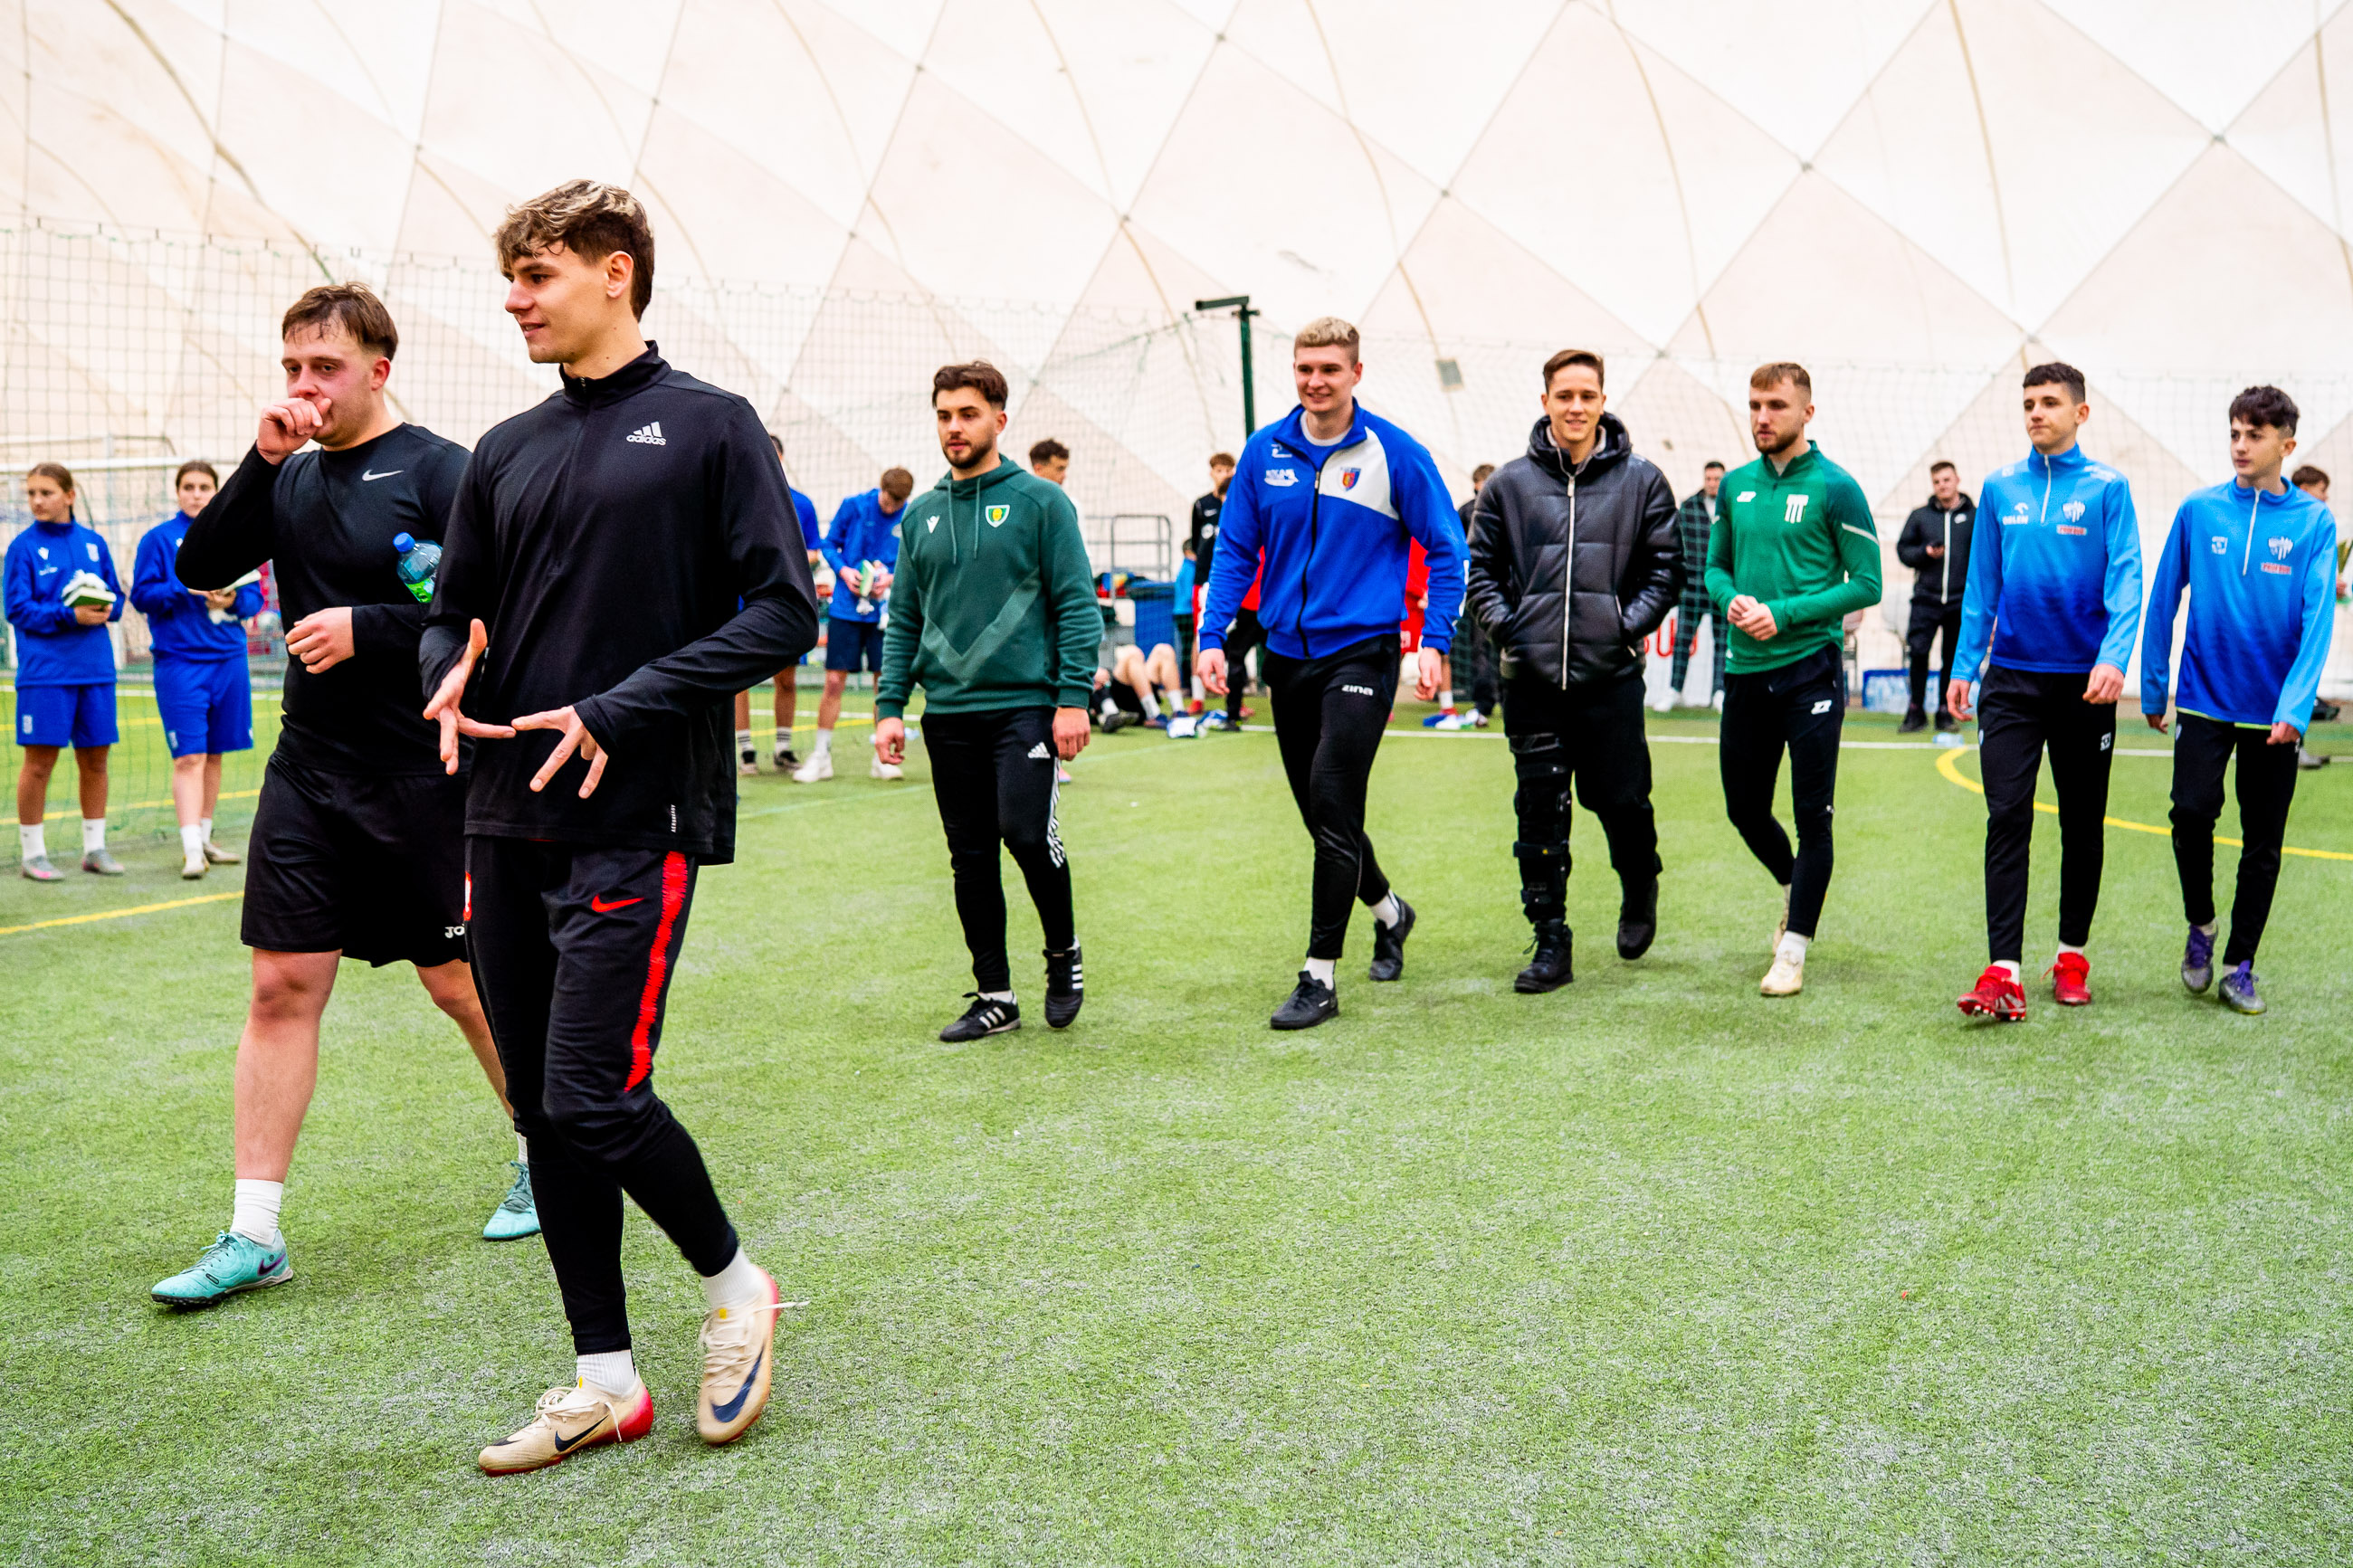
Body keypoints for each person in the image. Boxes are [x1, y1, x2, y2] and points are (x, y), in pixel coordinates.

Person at [419, 182, 818, 1471]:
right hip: (501, 813)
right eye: (511, 277)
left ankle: (738, 1287)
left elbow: (784, 611)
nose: (514, 300)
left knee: (593, 1091)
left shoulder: (710, 426)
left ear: (615, 273)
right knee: (543, 1110)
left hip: (635, 812)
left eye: (535, 275)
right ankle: (604, 1380)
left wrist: (619, 706)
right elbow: (454, 610)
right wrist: (442, 668)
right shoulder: (504, 449)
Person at [156, 282, 534, 1314]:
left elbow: (498, 617)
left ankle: (540, 1151)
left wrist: (370, 627)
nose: (305, 385)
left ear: (378, 369)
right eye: (292, 366)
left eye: (324, 367)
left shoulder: (445, 470)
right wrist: (261, 457)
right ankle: (255, 1232)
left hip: (425, 776)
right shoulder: (287, 472)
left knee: (460, 985)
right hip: (309, 771)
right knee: (281, 987)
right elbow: (200, 563)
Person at [1196, 316, 1463, 1029]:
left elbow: (1448, 549)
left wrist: (1433, 639)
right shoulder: (1264, 452)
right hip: (1286, 658)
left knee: (1333, 794)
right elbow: (1234, 551)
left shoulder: (1395, 453)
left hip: (1363, 653)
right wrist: (1214, 636)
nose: (1315, 381)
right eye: (1305, 368)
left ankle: (1319, 976)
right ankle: (1391, 911)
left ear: (1356, 373)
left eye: (1329, 369)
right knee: (1324, 816)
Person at [874, 362, 1098, 1041]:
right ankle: (995, 996)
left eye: (967, 414)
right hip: (947, 715)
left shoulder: (1042, 503)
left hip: (1025, 708)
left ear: (999, 420)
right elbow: (904, 619)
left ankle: (1062, 953)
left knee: (1027, 835)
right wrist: (890, 706)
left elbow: (1076, 603)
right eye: (944, 415)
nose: (954, 427)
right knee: (970, 856)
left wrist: (1073, 699)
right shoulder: (920, 515)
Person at [1466, 350, 1679, 993]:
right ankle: (1551, 938)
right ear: (1546, 402)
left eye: (1588, 395)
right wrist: (1512, 630)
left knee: (1621, 801)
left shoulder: (1643, 481)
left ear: (1603, 401)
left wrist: (1620, 627)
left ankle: (1639, 882)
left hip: (1610, 678)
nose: (1576, 406)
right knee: (1539, 811)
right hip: (1530, 681)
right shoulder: (1507, 485)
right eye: (1565, 395)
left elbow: (1665, 571)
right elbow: (1481, 573)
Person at [1947, 363, 2140, 1020]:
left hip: (2086, 685)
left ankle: (2071, 956)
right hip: (2011, 682)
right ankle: (2003, 971)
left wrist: (2114, 657)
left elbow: (2126, 578)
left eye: (2050, 402)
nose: (2036, 412)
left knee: (2082, 823)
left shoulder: (2109, 488)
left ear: (2080, 413)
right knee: (2007, 816)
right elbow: (1983, 585)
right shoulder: (2000, 487)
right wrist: (1965, 666)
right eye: (2028, 402)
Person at [2139, 385, 2336, 1017]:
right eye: (2234, 433)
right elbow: (2163, 597)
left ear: (2287, 444)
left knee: (2263, 840)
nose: (2240, 445)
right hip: (2203, 698)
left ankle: (2239, 965)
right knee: (2190, 812)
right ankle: (2201, 922)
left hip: (2273, 713)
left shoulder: (2314, 522)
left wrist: (2295, 707)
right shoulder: (2199, 510)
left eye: (2254, 434)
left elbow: (2318, 620)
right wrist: (2153, 682)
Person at [1709, 363, 1881, 998]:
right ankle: (1794, 884)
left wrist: (1782, 614)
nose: (1762, 417)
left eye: (1776, 405)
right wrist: (1729, 598)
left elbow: (1867, 583)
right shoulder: (1736, 486)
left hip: (1811, 670)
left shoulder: (1837, 487)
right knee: (1744, 809)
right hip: (1744, 672)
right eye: (1755, 404)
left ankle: (1793, 949)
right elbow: (1715, 568)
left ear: (1807, 412)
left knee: (1813, 818)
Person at [133, 460, 263, 879]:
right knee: (189, 756)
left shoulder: (234, 535)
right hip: (181, 662)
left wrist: (232, 600)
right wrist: (185, 587)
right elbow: (142, 596)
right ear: (177, 492)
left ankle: (205, 838)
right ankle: (191, 849)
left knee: (215, 753)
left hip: (229, 660)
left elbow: (255, 598)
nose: (195, 494)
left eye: (204, 487)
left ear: (216, 491)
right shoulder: (158, 539)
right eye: (188, 486)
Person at [6, 462, 122, 879]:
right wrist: (70, 615)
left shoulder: (94, 543)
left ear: (70, 496)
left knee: (96, 761)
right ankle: (32, 853)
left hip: (95, 670)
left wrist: (106, 607)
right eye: (31, 493)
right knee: (39, 763)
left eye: (46, 493)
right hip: (46, 674)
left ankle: (95, 849)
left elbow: (117, 599)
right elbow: (17, 609)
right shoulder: (22, 547)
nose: (37, 501)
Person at [794, 467, 911, 783]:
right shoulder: (854, 506)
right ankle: (821, 757)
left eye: (898, 503)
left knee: (884, 683)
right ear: (880, 489)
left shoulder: (909, 515)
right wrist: (845, 572)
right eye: (888, 500)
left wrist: (891, 578)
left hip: (885, 613)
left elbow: (915, 558)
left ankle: (882, 758)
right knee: (834, 681)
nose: (891, 507)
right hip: (846, 609)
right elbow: (828, 545)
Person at [735, 435, 823, 774]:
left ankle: (783, 749)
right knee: (738, 678)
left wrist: (789, 559)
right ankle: (745, 751)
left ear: (781, 459)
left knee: (786, 678)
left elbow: (814, 552)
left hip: (784, 600)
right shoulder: (735, 497)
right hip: (741, 601)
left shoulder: (801, 504)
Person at [1894, 461, 1976, 732]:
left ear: (1957, 480)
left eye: (1946, 480)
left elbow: (1984, 555)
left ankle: (1945, 711)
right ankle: (1915, 710)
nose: (1942, 485)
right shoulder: (1920, 516)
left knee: (1951, 657)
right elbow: (1903, 551)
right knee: (1918, 653)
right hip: (1925, 600)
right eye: (1937, 481)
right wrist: (1925, 553)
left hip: (1959, 601)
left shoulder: (1975, 517)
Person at [1429, 462, 1500, 729]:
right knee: (1480, 647)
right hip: (1479, 590)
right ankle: (1483, 704)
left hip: (1506, 588)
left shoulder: (1508, 508)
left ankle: (1507, 700)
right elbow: (1454, 549)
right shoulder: (1466, 511)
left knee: (1508, 645)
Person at [1662, 460, 1728, 713]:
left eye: (1717, 479)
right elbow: (1676, 547)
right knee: (1682, 641)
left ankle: (1719, 692)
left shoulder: (1731, 508)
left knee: (1723, 643)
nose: (1712, 483)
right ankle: (1675, 690)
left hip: (1721, 588)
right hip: (1692, 588)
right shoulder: (1688, 507)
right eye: (1709, 479)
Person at [2289, 462, 2340, 765]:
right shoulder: (2294, 523)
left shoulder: (2314, 522)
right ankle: (2291, 750)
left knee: (2301, 679)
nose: (2326, 497)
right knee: (2292, 680)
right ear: (2305, 490)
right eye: (2322, 490)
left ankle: (2295, 748)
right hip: (2287, 623)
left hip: (2303, 620)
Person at [1188, 452, 1234, 712]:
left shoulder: (1240, 502)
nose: (1223, 475)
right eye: (1219, 470)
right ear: (1211, 473)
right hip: (1205, 580)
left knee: (1236, 639)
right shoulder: (1201, 505)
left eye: (1228, 470)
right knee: (1201, 633)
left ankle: (1234, 698)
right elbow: (1196, 543)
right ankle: (1198, 697)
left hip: (1236, 582)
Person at [1095, 641, 1184, 731]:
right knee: (1133, 653)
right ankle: (1153, 714)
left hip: (1139, 684)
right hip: (1118, 695)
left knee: (1164, 650)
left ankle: (1179, 712)